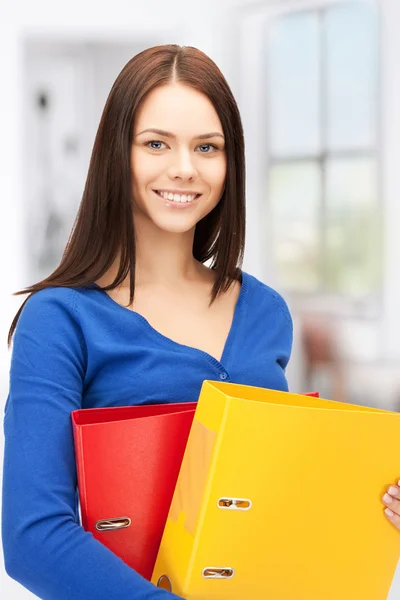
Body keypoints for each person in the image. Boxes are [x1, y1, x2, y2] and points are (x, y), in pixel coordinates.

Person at [1, 44, 398, 600]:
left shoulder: (264, 312)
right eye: (157, 143)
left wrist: (374, 506)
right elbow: (33, 539)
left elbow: (277, 497)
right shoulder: (60, 320)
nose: (184, 168)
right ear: (118, 155)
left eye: (207, 147)